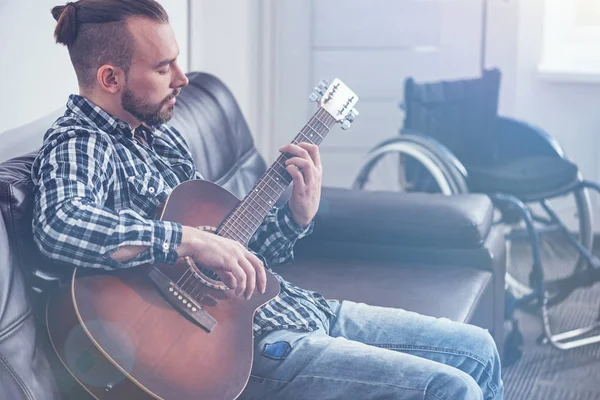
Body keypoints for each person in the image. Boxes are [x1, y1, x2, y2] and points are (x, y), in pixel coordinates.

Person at [32, 1, 503, 399]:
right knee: (451, 388)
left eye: (177, 61)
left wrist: (297, 216)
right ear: (111, 78)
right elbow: (60, 225)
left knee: (478, 348)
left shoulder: (162, 140)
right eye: (162, 67)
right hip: (244, 348)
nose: (182, 78)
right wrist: (188, 240)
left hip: (296, 307)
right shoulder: (80, 141)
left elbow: (237, 253)